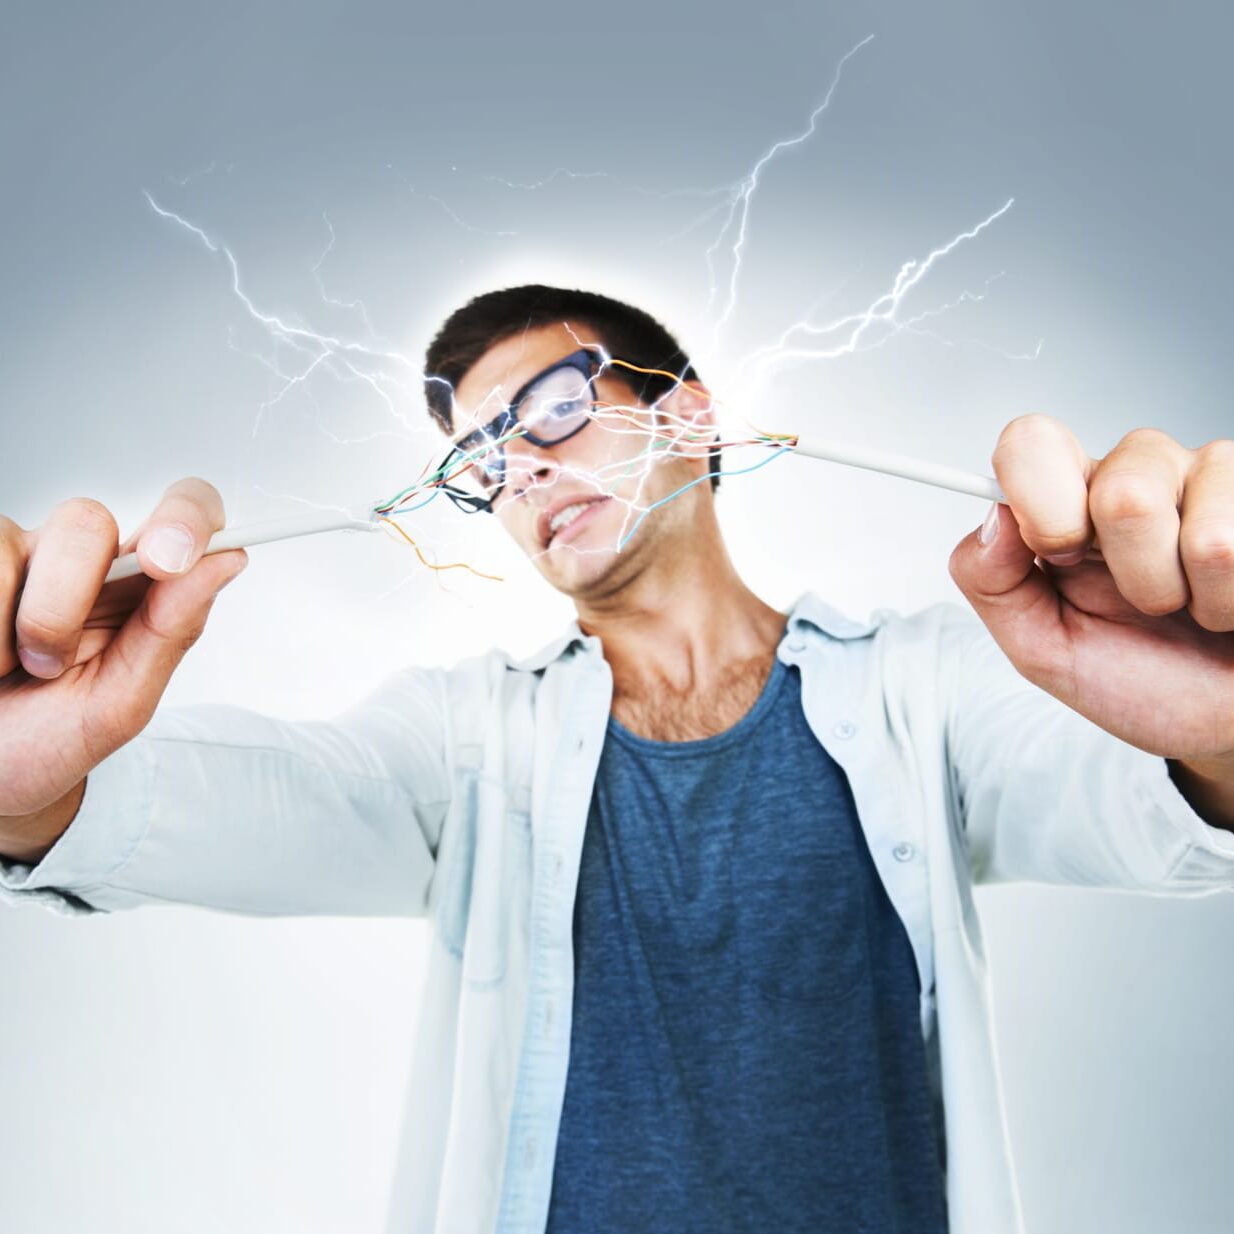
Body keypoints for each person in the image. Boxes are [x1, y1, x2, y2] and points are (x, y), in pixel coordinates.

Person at [1, 284, 1232, 1234]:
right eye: (486, 462)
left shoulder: (927, 689)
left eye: (551, 410)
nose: (525, 469)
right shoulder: (472, 738)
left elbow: (1146, 799)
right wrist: (42, 773)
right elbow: (243, 800)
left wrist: (1219, 730)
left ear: (689, 415)